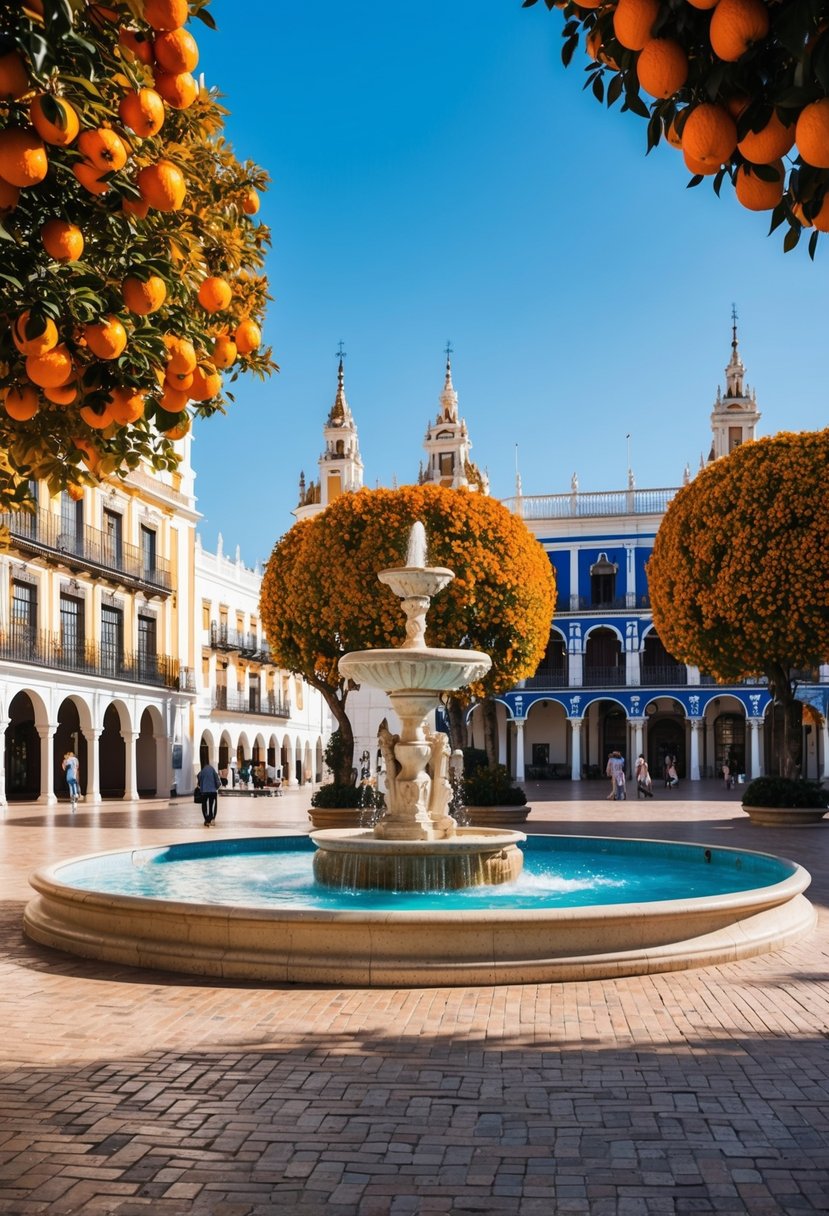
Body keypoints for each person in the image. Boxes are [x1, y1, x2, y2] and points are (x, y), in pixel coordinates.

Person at [197, 759, 221, 826]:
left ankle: (206, 819)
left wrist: (200, 785)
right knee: (211, 805)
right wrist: (216, 787)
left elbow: (199, 777)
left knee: (204, 805)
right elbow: (217, 779)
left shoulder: (203, 770)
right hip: (212, 791)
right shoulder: (212, 769)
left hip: (204, 791)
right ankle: (212, 818)